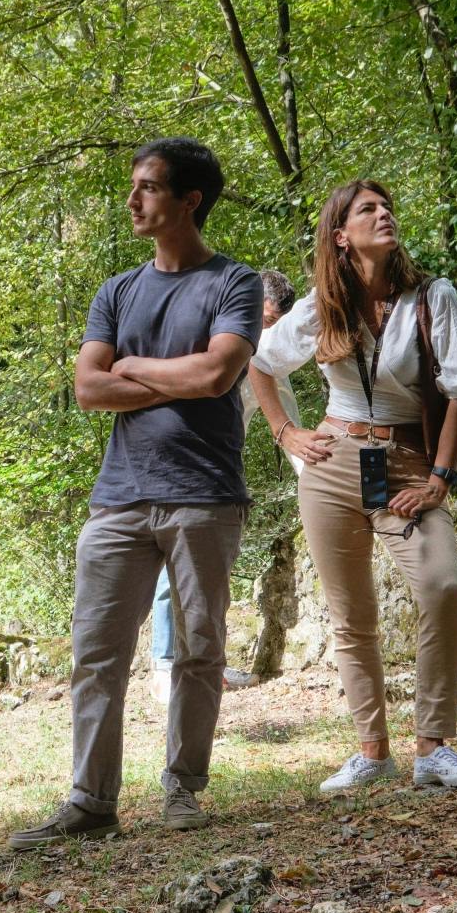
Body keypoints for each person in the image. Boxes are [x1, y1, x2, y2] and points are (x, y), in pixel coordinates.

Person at [9, 138, 263, 849]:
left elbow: (217, 377)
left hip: (204, 494)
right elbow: (89, 389)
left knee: (199, 649)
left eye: (149, 188)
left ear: (191, 201)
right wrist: (169, 374)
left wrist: (135, 367)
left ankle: (183, 790)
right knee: (96, 652)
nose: (133, 200)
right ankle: (91, 803)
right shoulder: (116, 290)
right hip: (118, 497)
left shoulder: (233, 284)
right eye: (134, 186)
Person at [250, 179, 457, 794]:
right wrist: (286, 433)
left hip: (408, 460)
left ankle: (433, 747)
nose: (384, 215)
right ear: (341, 234)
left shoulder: (432, 297)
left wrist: (440, 478)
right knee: (350, 616)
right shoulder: (321, 304)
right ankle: (371, 751)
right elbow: (260, 362)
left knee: (441, 586)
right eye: (368, 210)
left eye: (388, 207)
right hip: (331, 461)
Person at [148, 268, 303, 705]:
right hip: (179, 464)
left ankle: (207, 664)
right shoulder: (202, 336)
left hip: (222, 474)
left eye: (272, 326)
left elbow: (287, 426)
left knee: (213, 570)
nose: (262, 332)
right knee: (172, 565)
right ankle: (163, 665)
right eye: (262, 319)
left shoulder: (267, 360)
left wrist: (316, 481)